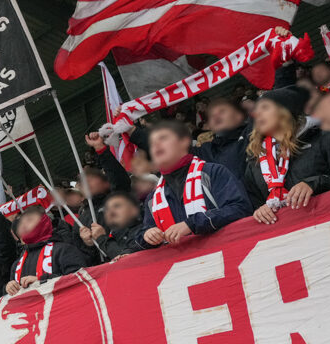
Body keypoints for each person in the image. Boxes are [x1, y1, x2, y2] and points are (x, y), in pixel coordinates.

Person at [245, 86, 330, 225]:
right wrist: (260, 211)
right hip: (291, 232)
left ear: (284, 110)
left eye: (265, 107)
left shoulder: (323, 138)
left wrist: (316, 183)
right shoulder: (255, 162)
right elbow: (253, 207)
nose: (257, 114)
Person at [138, 120, 250, 248]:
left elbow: (240, 208)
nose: (156, 145)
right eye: (152, 143)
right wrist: (147, 235)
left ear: (184, 141)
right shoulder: (152, 199)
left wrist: (192, 224)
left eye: (163, 138)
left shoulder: (213, 172)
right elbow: (144, 235)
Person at [6, 206, 86, 296]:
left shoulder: (64, 250)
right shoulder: (17, 264)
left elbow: (80, 279)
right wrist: (10, 287)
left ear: (43, 222)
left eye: (29, 220)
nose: (23, 226)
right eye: (21, 223)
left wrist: (42, 280)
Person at [195, 96, 251, 179]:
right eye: (211, 116)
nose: (216, 117)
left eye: (222, 111)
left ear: (239, 115)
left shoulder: (252, 134)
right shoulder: (205, 151)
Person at [80, 191, 145, 260]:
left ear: (134, 209)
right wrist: (90, 245)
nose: (111, 212)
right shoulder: (111, 233)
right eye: (107, 209)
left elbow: (126, 258)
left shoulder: (143, 232)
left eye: (117, 206)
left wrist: (101, 238)